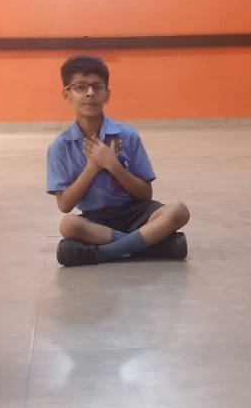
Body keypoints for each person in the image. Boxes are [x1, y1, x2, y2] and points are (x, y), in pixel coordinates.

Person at [47, 54, 190, 266]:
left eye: (98, 87)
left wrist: (113, 165)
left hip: (137, 213)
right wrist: (94, 166)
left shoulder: (127, 135)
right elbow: (65, 205)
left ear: (107, 94)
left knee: (178, 211)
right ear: (66, 95)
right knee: (68, 225)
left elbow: (145, 194)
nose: (90, 93)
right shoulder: (60, 146)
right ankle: (149, 245)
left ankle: (104, 253)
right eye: (80, 87)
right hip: (97, 221)